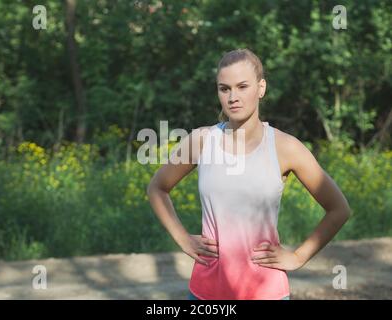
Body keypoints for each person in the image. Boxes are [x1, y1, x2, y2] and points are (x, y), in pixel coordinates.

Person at [147, 48, 351, 300]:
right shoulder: (202, 141)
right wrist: (182, 238)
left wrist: (298, 256)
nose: (233, 96)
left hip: (266, 292)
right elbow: (157, 187)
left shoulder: (286, 147)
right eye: (225, 88)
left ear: (261, 88)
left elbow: (339, 208)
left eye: (242, 86)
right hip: (206, 293)